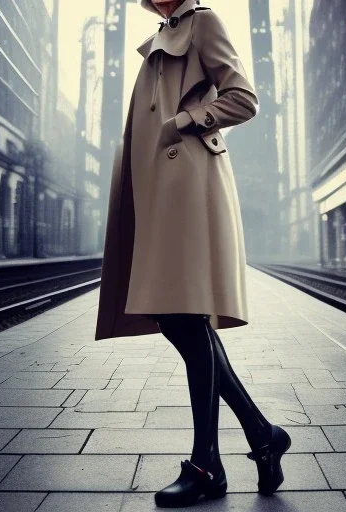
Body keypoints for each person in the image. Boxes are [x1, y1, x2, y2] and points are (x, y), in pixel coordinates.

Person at [95, 0, 291, 507]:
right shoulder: (166, 33)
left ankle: (207, 465)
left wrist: (184, 121)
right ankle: (262, 434)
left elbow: (244, 98)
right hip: (160, 188)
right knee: (177, 317)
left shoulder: (202, 22)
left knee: (183, 315)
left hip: (187, 183)